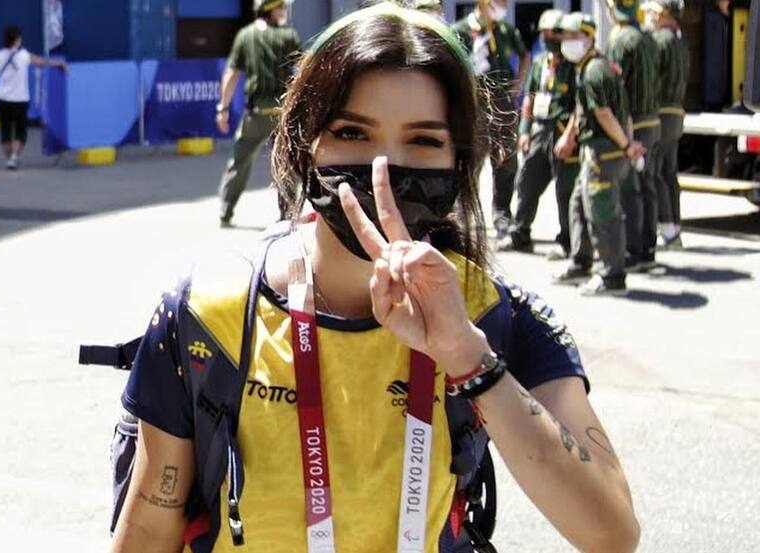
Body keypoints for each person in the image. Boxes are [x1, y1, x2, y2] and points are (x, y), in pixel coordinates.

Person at [112, 4, 640, 553]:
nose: (384, 170)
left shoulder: (493, 314)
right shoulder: (207, 313)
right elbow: (148, 530)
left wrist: (467, 357)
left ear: (460, 161)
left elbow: (612, 532)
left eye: (424, 140)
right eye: (352, 132)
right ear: (304, 143)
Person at [552, 13, 645, 296]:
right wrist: (571, 136)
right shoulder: (596, 66)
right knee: (579, 203)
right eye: (565, 37)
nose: (567, 42)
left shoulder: (593, 71)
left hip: (603, 152)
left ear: (589, 38)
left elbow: (604, 113)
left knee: (603, 213)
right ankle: (581, 261)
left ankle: (612, 276)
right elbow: (596, 109)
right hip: (600, 150)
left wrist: (626, 145)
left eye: (573, 37)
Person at [497, 8, 579, 259]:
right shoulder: (540, 61)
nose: (547, 37)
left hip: (562, 130)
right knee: (527, 182)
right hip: (539, 131)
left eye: (552, 33)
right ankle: (520, 234)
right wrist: (524, 130)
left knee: (565, 190)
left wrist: (570, 136)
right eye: (544, 33)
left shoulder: (573, 65)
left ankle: (566, 241)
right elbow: (529, 98)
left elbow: (580, 104)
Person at [215, 0, 301, 227]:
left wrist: (223, 108)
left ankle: (226, 209)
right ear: (269, 10)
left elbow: (231, 74)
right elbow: (302, 69)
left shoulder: (246, 36)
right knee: (286, 163)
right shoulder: (289, 36)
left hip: (256, 114)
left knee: (239, 161)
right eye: (280, 7)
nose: (283, 11)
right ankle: (288, 214)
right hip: (283, 112)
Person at [452, 0, 529, 238]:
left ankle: (502, 214)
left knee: (506, 160)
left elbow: (524, 56)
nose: (503, 6)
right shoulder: (461, 29)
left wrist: (517, 86)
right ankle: (462, 214)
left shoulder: (504, 30)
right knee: (471, 159)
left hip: (503, 102)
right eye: (499, 1)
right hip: (476, 104)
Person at [605, 0, 662, 271]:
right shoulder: (649, 38)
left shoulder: (621, 40)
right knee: (647, 185)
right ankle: (648, 248)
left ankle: (633, 250)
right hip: (652, 118)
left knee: (630, 188)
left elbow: (616, 87)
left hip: (634, 122)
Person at [644, 0, 689, 249]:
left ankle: (668, 230)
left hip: (660, 112)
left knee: (658, 172)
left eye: (654, 11)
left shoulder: (659, 41)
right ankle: (675, 229)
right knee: (670, 173)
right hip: (676, 113)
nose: (651, 16)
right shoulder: (681, 43)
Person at [0, 25, 66, 170]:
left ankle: (9, 159)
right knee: (20, 130)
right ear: (17, 40)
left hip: (1, 98)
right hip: (20, 100)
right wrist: (59, 63)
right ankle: (14, 157)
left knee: (5, 130)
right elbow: (42, 62)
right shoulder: (24, 55)